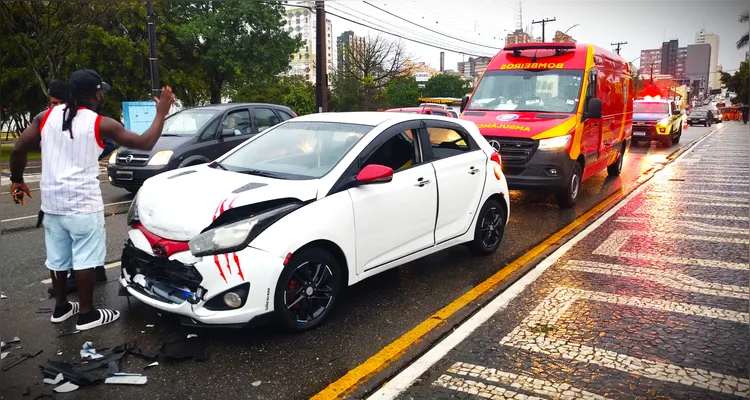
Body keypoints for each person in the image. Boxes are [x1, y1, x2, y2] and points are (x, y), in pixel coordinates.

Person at [10, 69, 174, 330]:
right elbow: (145, 142)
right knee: (85, 258)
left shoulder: (45, 117)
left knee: (58, 258)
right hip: (83, 204)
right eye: (101, 92)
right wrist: (161, 113)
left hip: (52, 203)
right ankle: (87, 315)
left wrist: (16, 180)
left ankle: (61, 307)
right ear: (96, 94)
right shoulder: (100, 123)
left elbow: (18, 148)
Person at [44, 81, 108, 296]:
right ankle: (83, 309)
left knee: (72, 254)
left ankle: (74, 306)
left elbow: (19, 149)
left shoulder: (93, 120)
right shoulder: (54, 118)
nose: (52, 107)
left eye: (55, 103)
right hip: (68, 199)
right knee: (76, 251)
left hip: (68, 199)